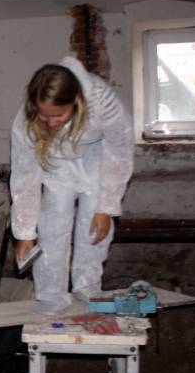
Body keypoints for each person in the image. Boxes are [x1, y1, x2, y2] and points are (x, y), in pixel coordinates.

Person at [9, 56, 134, 314]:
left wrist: (106, 207)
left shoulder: (101, 100)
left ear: (77, 100)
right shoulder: (26, 121)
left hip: (97, 160)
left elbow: (119, 151)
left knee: (94, 229)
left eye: (58, 115)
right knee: (52, 227)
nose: (51, 122)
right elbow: (25, 177)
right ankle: (51, 295)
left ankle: (87, 288)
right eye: (44, 115)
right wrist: (24, 233)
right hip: (56, 161)